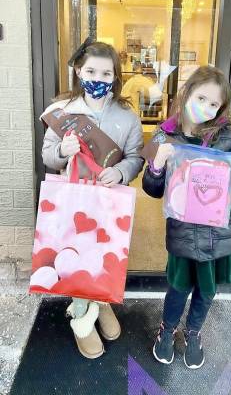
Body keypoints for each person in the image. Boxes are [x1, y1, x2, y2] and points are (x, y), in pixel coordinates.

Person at [142, 65, 231, 369]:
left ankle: (194, 332)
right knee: (178, 286)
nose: (207, 108)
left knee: (206, 289)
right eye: (201, 98)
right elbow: (151, 189)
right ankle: (167, 330)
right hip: (184, 234)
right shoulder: (164, 135)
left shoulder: (224, 136)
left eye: (214, 104)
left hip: (219, 233)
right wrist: (157, 167)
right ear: (186, 92)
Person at [40, 38, 144, 359]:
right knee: (76, 257)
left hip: (109, 203)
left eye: (105, 73)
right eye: (91, 71)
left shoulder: (127, 117)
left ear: (115, 77)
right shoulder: (63, 112)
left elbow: (137, 156)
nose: (97, 79)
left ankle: (100, 303)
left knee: (104, 256)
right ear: (78, 71)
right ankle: (82, 319)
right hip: (73, 202)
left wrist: (123, 172)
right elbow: (47, 156)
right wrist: (62, 150)